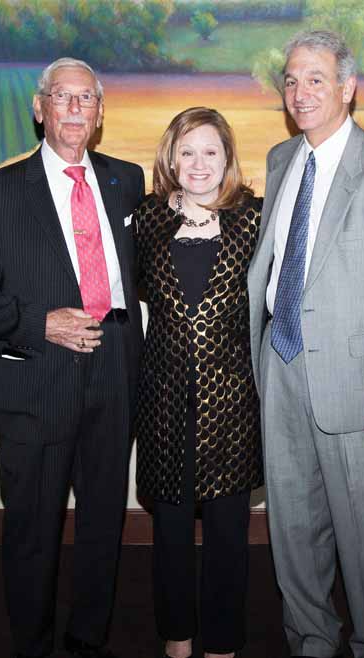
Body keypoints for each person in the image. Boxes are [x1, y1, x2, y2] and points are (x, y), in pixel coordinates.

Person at [248, 31, 364, 658]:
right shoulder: (281, 160)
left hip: (361, 386)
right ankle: (310, 639)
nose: (300, 93)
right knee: (293, 527)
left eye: (316, 79)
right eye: (292, 80)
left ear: (349, 87)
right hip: (281, 367)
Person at [0, 57, 144, 658]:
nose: (74, 109)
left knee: (101, 527)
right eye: (62, 97)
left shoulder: (127, 181)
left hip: (115, 369)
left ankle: (88, 639)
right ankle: (32, 645)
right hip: (37, 377)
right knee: (33, 530)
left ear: (98, 112)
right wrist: (40, 323)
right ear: (39, 108)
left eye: (86, 98)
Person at [134, 107, 263, 658]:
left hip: (233, 404)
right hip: (163, 401)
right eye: (187, 151)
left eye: (210, 151)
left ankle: (222, 643)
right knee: (170, 533)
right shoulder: (145, 220)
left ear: (228, 158)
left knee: (230, 536)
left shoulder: (254, 219)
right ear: (170, 158)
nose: (198, 163)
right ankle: (177, 638)